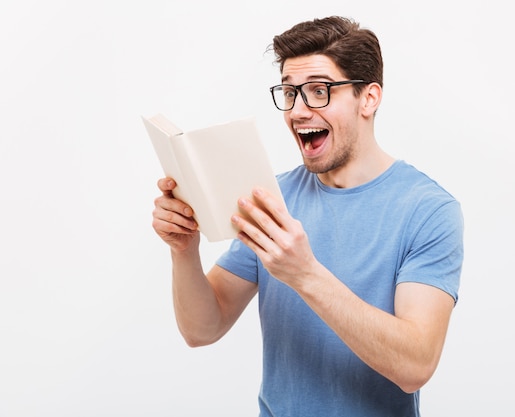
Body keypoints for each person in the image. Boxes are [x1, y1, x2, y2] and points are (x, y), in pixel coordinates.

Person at [152, 15, 464, 417]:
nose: (298, 111)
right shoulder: (272, 197)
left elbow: (415, 365)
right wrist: (183, 249)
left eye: (319, 91)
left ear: (368, 98)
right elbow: (202, 329)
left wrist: (304, 273)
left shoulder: (429, 210)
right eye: (289, 92)